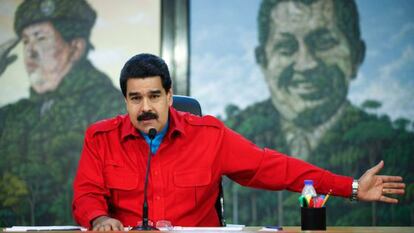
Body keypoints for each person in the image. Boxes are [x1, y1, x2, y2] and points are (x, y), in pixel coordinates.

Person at [72, 53, 405, 231]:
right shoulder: (100, 138)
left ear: (170, 96)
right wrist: (100, 219)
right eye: (135, 98)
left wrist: (352, 187)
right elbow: (86, 194)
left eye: (154, 96)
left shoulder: (209, 136)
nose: (145, 107)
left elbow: (278, 169)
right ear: (125, 101)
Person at [225, 0, 414, 226]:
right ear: (262, 59)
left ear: (356, 54)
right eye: (286, 47)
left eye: (324, 43)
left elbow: (286, 171)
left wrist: (353, 187)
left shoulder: (398, 144)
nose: (306, 65)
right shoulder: (238, 124)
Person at [0, 0, 124, 225]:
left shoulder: (108, 105)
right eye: (25, 41)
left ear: (75, 48)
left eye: (40, 38)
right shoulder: (14, 115)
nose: (30, 52)